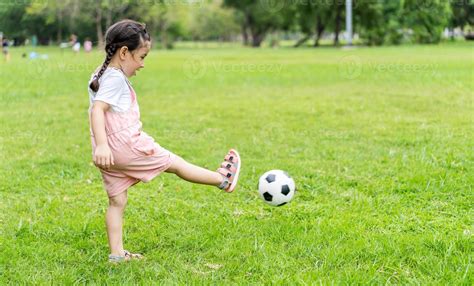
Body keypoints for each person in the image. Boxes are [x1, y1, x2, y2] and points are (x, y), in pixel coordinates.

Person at [88, 19, 241, 263]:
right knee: (176, 164)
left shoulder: (100, 72)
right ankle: (222, 180)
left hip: (107, 153)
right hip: (126, 145)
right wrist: (106, 145)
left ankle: (116, 255)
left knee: (117, 201)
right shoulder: (115, 78)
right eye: (142, 57)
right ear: (124, 52)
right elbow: (98, 109)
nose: (143, 65)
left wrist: (103, 146)